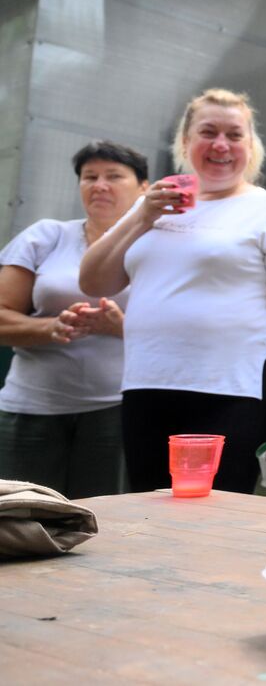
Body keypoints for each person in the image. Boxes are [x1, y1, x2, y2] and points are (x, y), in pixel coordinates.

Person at [79, 89, 266, 492]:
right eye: (208, 132)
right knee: (149, 505)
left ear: (250, 146)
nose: (221, 145)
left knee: (216, 510)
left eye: (234, 135)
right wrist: (142, 218)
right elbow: (94, 282)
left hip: (232, 388)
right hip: (147, 382)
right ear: (186, 143)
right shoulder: (149, 207)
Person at [0, 141, 150, 496]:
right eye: (89, 176)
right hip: (30, 408)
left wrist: (121, 327)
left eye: (114, 176)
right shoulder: (46, 236)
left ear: (145, 187)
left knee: (106, 528)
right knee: (21, 523)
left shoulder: (158, 246)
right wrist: (52, 327)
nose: (100, 185)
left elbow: (184, 335)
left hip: (118, 410)